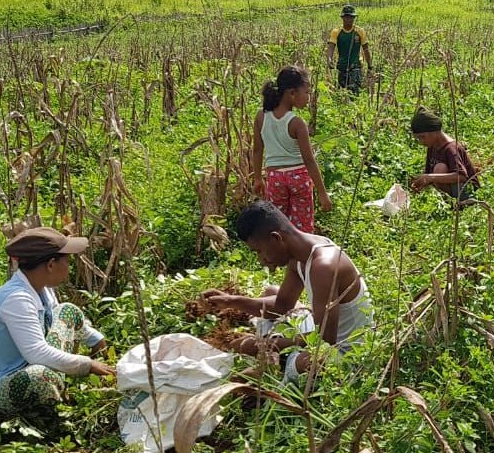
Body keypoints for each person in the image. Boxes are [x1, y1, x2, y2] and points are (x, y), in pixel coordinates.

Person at [0, 228, 114, 418]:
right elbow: (36, 352)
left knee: (67, 310)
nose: (69, 268)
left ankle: (64, 383)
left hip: (20, 363)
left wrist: (97, 342)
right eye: (67, 261)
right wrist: (88, 365)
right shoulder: (16, 299)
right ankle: (52, 406)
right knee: (39, 378)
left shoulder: (41, 288)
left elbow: (58, 319)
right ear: (51, 265)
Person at [202, 201, 373, 382]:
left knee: (308, 363)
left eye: (259, 251)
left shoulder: (324, 266)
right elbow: (281, 305)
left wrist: (268, 344)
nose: (261, 260)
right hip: (321, 333)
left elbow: (324, 343)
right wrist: (231, 301)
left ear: (276, 238)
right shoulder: (300, 255)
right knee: (271, 291)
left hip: (347, 353)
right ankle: (277, 361)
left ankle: (277, 368)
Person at [252, 65, 332, 233]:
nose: (308, 98)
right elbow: (309, 160)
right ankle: (301, 258)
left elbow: (258, 150)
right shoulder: (297, 123)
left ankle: (282, 257)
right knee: (302, 228)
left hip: (275, 178)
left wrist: (258, 178)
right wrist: (323, 193)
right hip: (299, 178)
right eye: (307, 92)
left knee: (278, 225)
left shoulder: (261, 117)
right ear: (292, 93)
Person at [409, 106, 479, 202]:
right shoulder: (432, 147)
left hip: (467, 192)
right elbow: (429, 174)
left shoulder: (451, 148)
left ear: (433, 132)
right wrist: (420, 181)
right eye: (418, 138)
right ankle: (449, 202)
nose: (421, 141)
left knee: (440, 168)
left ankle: (455, 204)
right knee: (436, 171)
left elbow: (462, 176)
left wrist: (431, 178)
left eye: (422, 137)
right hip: (453, 190)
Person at [326, 4, 372, 95]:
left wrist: (370, 65)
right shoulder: (336, 32)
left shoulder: (359, 31)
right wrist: (329, 59)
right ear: (342, 18)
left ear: (354, 18)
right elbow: (331, 46)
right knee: (342, 94)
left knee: (354, 94)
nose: (349, 19)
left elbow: (366, 49)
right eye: (346, 17)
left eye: (351, 17)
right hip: (342, 67)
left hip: (356, 67)